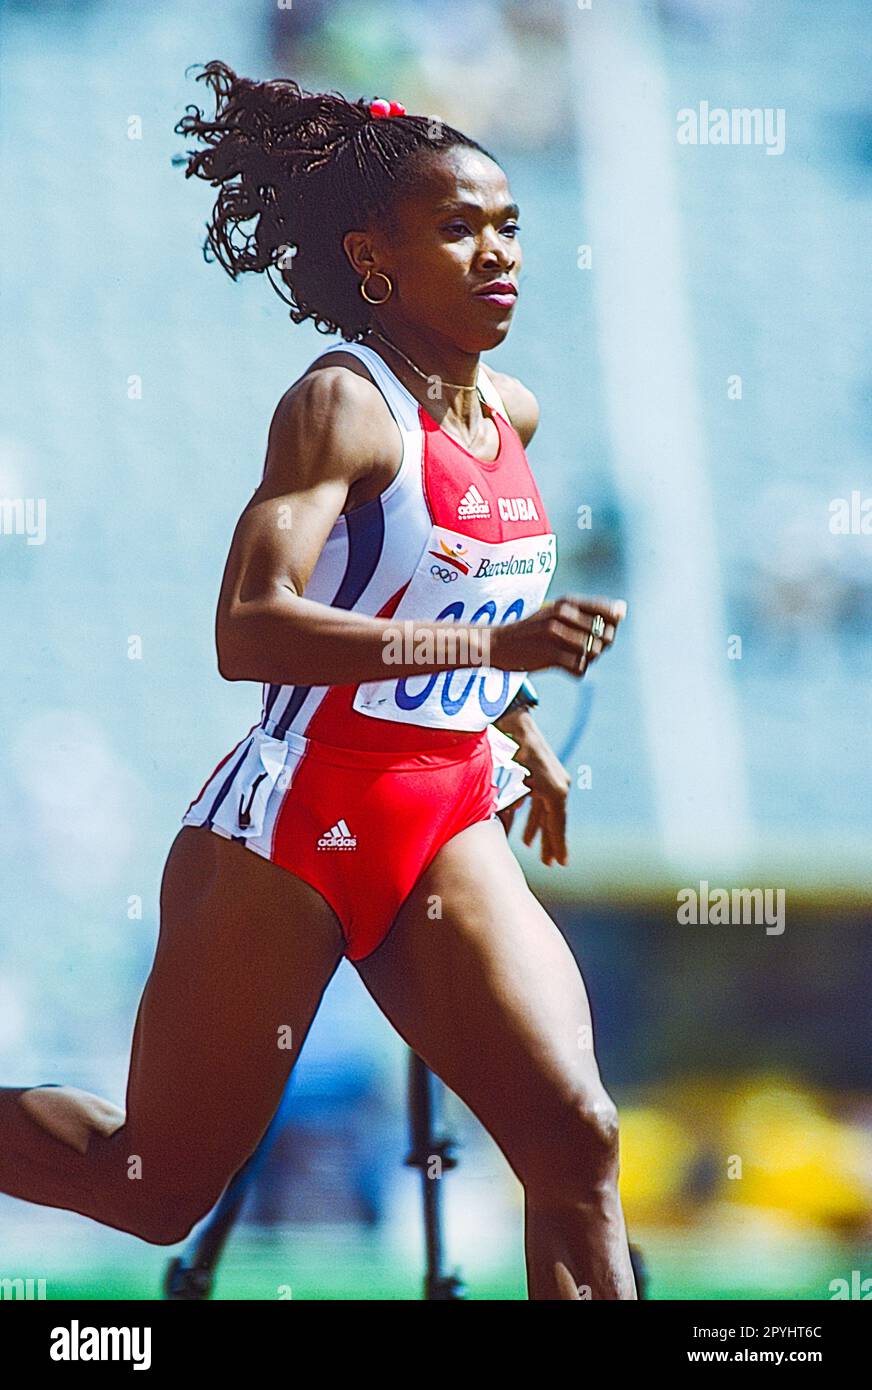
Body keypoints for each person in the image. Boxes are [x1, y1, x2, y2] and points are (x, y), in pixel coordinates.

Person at [0, 62, 633, 1300]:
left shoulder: (514, 413)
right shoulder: (340, 406)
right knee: (151, 1187)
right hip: (293, 827)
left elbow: (457, 603)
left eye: (508, 227)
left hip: (443, 811)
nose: (497, 254)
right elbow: (249, 629)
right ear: (373, 259)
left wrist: (517, 727)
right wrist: (488, 658)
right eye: (455, 230)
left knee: (577, 1143)